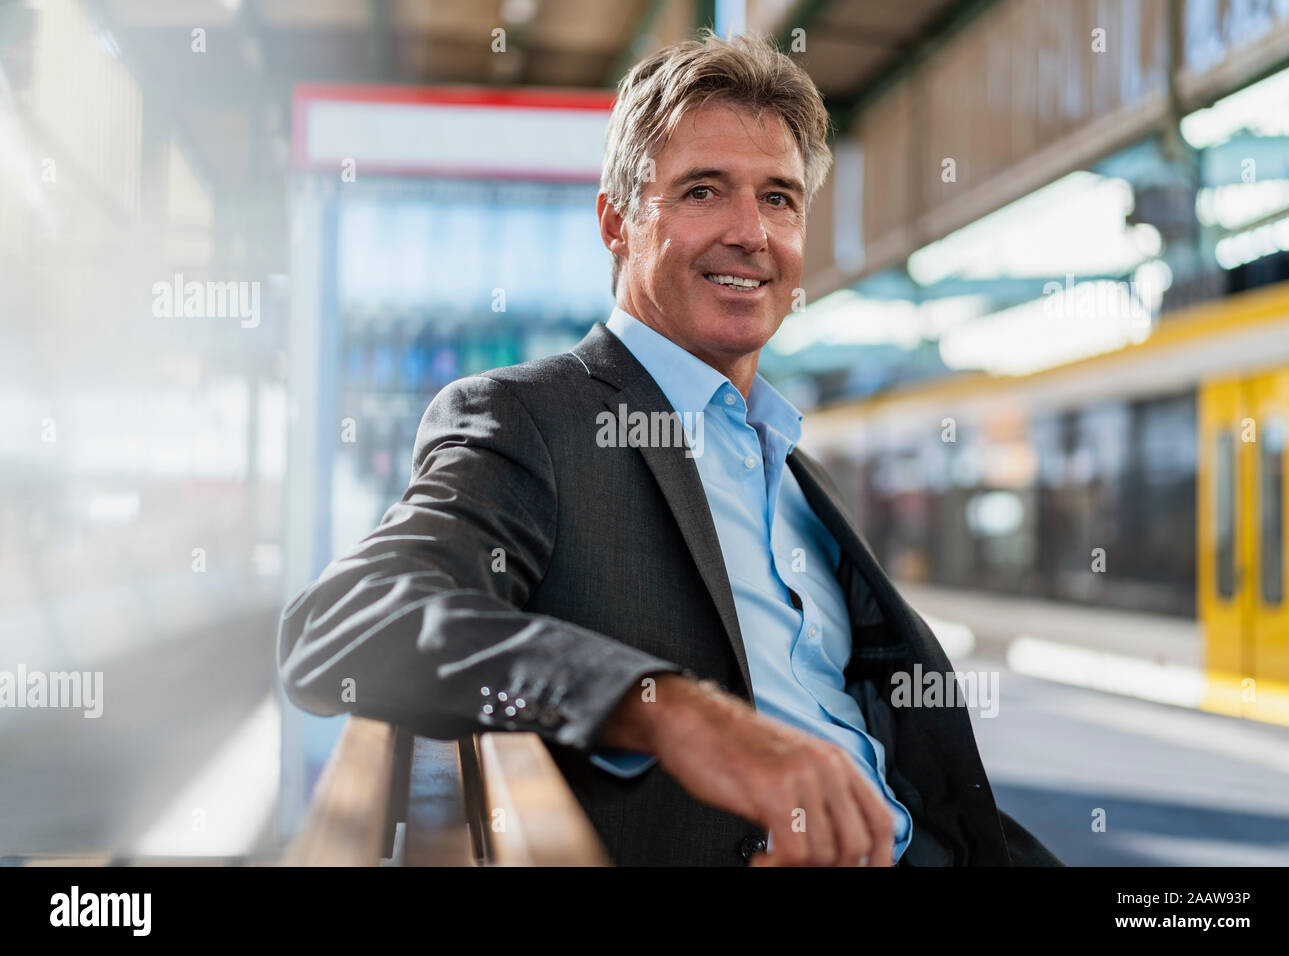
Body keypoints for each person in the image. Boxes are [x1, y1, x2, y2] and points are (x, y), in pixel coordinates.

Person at [277, 29, 1062, 867]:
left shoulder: (802, 475)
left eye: (779, 199)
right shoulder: (528, 421)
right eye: (702, 191)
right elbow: (345, 623)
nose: (750, 233)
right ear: (618, 221)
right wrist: (670, 709)